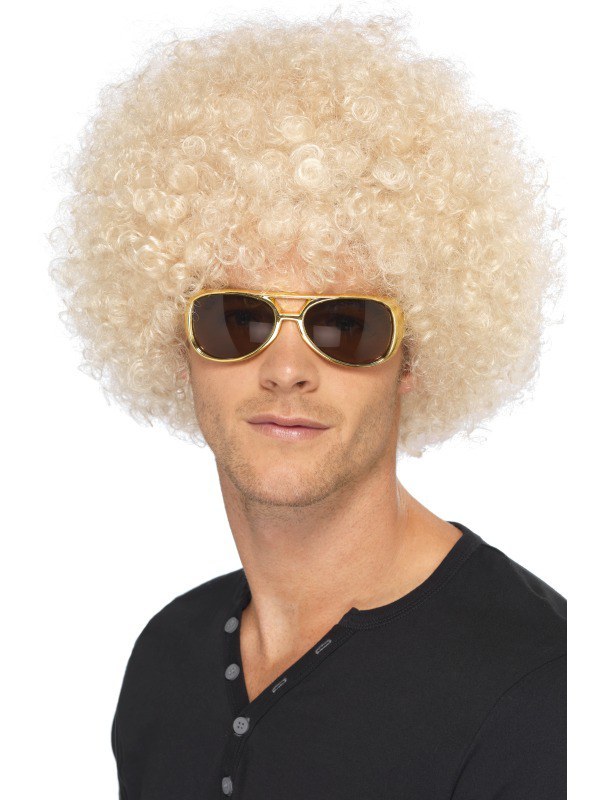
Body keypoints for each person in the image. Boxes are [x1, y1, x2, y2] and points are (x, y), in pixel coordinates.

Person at [48, 11, 566, 800]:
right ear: (177, 345)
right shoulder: (168, 662)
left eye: (347, 325)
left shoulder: (541, 692)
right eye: (237, 319)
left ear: (412, 358)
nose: (286, 370)